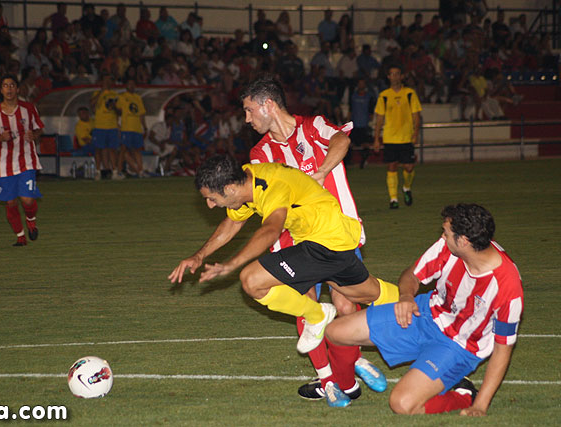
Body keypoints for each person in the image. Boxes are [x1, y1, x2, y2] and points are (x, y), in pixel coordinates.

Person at [169, 154, 399, 408]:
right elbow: (233, 222)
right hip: (333, 239)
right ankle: (421, 308)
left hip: (324, 243)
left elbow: (270, 230)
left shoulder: (271, 186)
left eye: (212, 199)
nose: (211, 205)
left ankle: (318, 315)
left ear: (229, 189)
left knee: (251, 280)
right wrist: (199, 255)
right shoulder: (247, 179)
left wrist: (232, 265)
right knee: (367, 294)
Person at [242, 75, 390, 405]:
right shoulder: (260, 153)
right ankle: (334, 381)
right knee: (309, 307)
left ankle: (348, 370)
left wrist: (321, 172)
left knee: (344, 305)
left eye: (250, 111)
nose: (247, 119)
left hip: (336, 231)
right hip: (295, 237)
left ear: (268, 105)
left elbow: (341, 140)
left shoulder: (314, 127)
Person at [326, 203, 523, 416]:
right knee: (335, 332)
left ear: (464, 241)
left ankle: (464, 395)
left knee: (402, 404)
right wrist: (406, 297)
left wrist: (481, 405)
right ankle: (347, 389)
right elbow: (412, 275)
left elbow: (503, 348)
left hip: (458, 347)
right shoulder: (448, 247)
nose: (442, 235)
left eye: (446, 232)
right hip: (425, 314)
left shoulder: (508, 287)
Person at [0, 74, 44, 246]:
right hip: (4, 164)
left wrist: (34, 134)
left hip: (27, 160)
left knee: (27, 199)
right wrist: (0, 138)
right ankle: (20, 236)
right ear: (1, 90)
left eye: (12, 85)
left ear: (17, 89)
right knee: (10, 201)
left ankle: (31, 221)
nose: (9, 88)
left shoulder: (29, 108)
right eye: (5, 86)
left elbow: (39, 129)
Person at [373, 64, 422, 209]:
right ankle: (393, 199)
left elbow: (416, 116)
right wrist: (376, 138)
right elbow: (379, 119)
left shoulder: (409, 93)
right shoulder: (384, 96)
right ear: (388, 77)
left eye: (397, 74)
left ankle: (406, 188)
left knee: (408, 167)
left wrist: (415, 133)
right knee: (392, 166)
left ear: (401, 76)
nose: (395, 76)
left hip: (406, 137)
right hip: (390, 137)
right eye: (392, 74)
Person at [90, 74, 122, 180]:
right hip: (100, 126)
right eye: (105, 80)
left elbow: (119, 111)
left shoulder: (115, 94)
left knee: (113, 149)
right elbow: (92, 106)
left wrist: (115, 108)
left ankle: (114, 172)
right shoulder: (96, 93)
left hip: (112, 126)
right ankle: (98, 171)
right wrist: (101, 92)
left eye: (109, 80)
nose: (107, 82)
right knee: (99, 149)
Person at [115, 77, 147, 177]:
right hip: (126, 127)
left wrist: (145, 127)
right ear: (126, 86)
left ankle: (140, 171)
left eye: (133, 84)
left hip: (137, 127)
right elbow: (117, 111)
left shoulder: (138, 98)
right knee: (123, 149)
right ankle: (119, 171)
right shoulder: (122, 97)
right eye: (129, 84)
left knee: (137, 150)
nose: (131, 86)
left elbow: (141, 114)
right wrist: (117, 125)